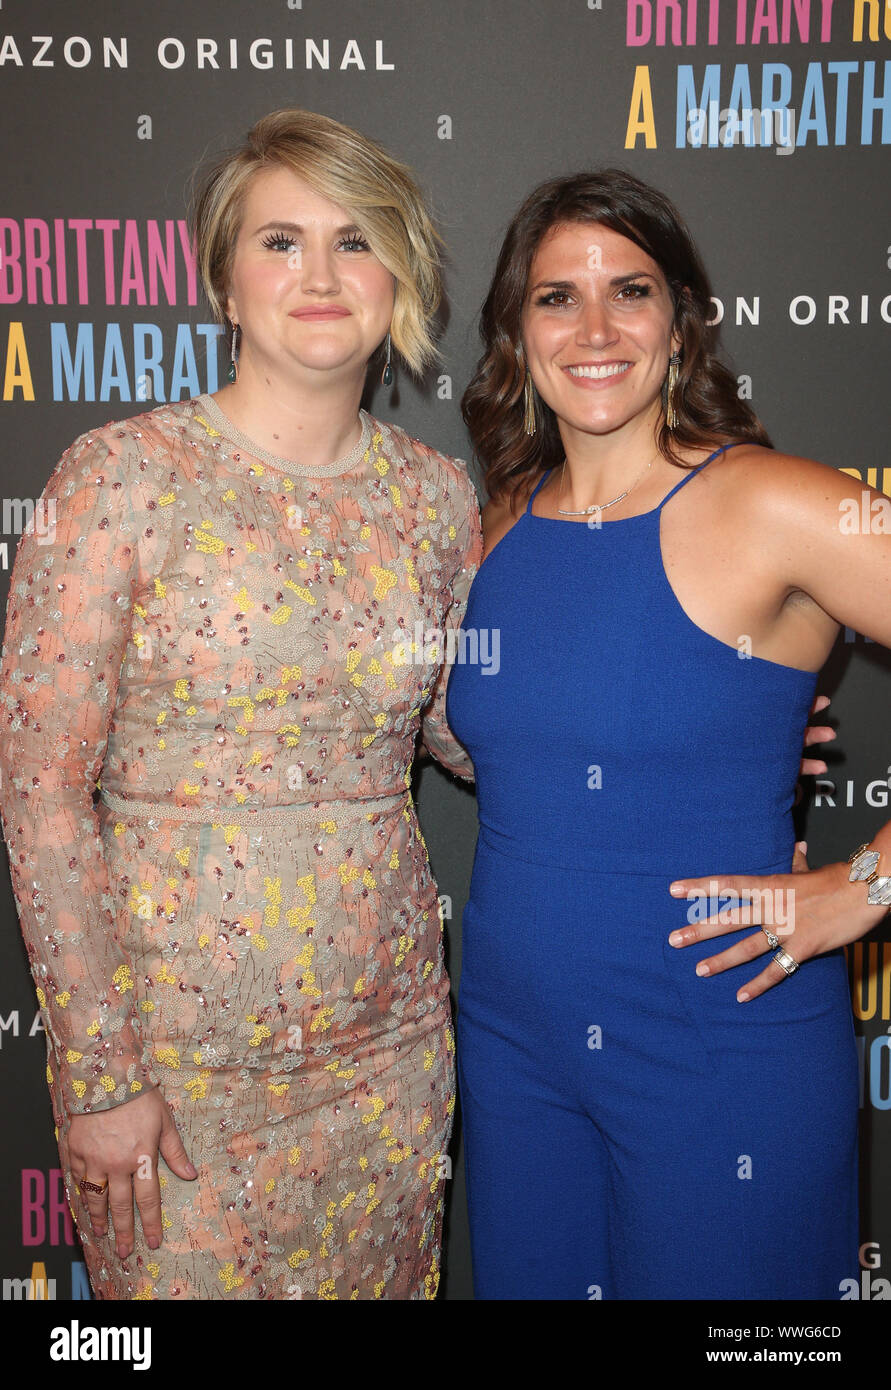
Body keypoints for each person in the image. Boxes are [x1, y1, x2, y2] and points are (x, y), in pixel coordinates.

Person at [0, 108, 481, 1300]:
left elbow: (467, 732)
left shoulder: (434, 498)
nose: (319, 275)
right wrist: (101, 1076)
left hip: (390, 1054)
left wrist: (689, 727)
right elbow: (42, 785)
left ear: (399, 275)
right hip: (176, 1078)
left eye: (356, 240)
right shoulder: (120, 476)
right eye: (280, 241)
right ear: (222, 279)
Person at [444, 168, 891, 1300]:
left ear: (681, 322)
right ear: (515, 330)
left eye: (629, 291)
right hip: (511, 1044)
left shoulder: (780, 502)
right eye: (556, 297)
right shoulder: (502, 516)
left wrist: (867, 886)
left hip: (713, 1037)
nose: (593, 328)